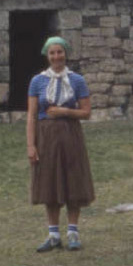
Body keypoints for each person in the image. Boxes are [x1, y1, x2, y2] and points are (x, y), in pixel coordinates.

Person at [26, 35, 95, 253]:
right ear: (47, 55)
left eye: (60, 52)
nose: (57, 57)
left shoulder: (77, 80)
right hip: (46, 135)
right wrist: (31, 145)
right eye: (52, 53)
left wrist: (65, 111)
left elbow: (86, 112)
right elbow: (31, 115)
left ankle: (73, 232)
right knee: (49, 182)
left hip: (70, 134)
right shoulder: (37, 81)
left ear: (66, 54)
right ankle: (53, 234)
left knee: (73, 180)